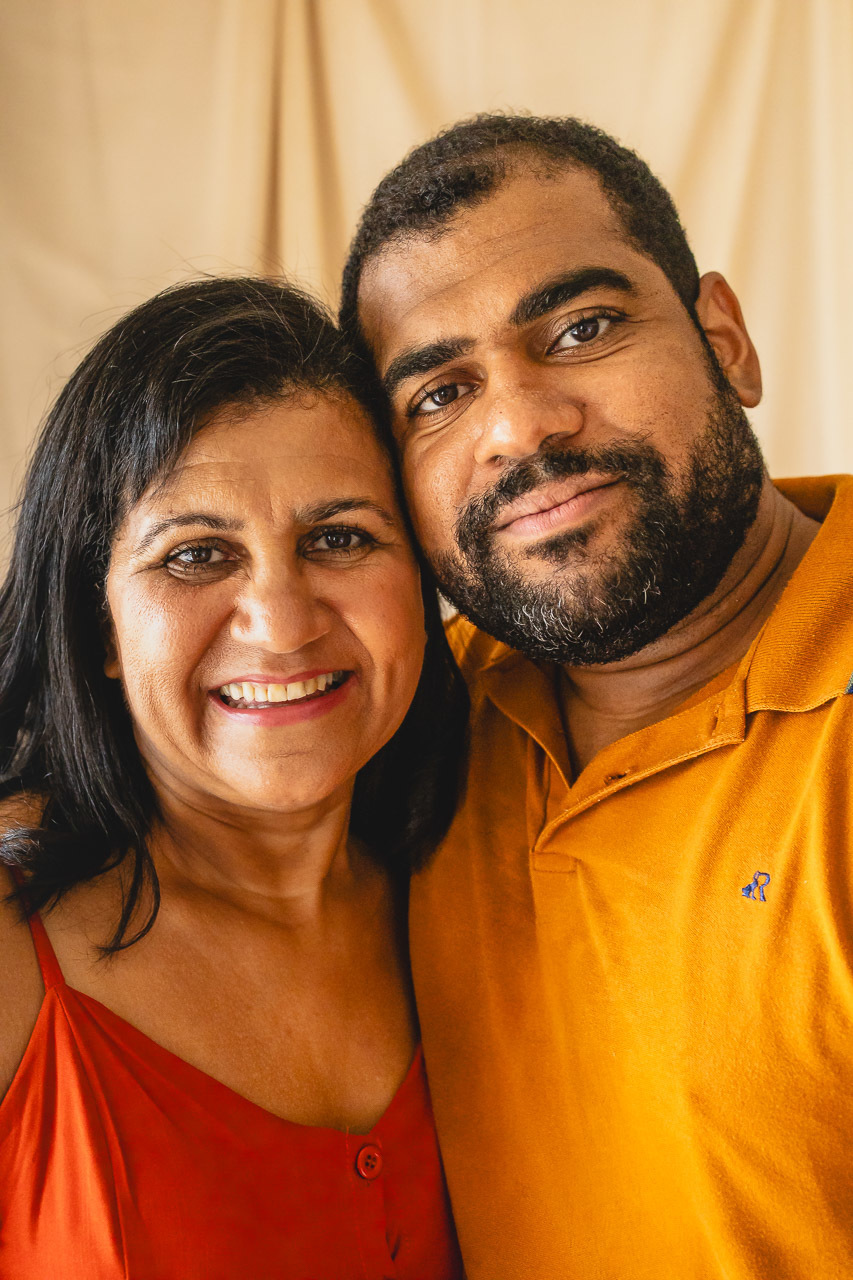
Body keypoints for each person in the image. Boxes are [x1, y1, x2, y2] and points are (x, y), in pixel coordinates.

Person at [339, 114, 853, 1279]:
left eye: (581, 327)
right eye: (437, 394)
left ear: (725, 340)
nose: (519, 424)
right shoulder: (405, 718)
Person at [0, 277, 467, 1278]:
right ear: (98, 626)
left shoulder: (480, 888)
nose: (283, 619)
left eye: (339, 537)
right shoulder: (11, 952)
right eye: (196, 555)